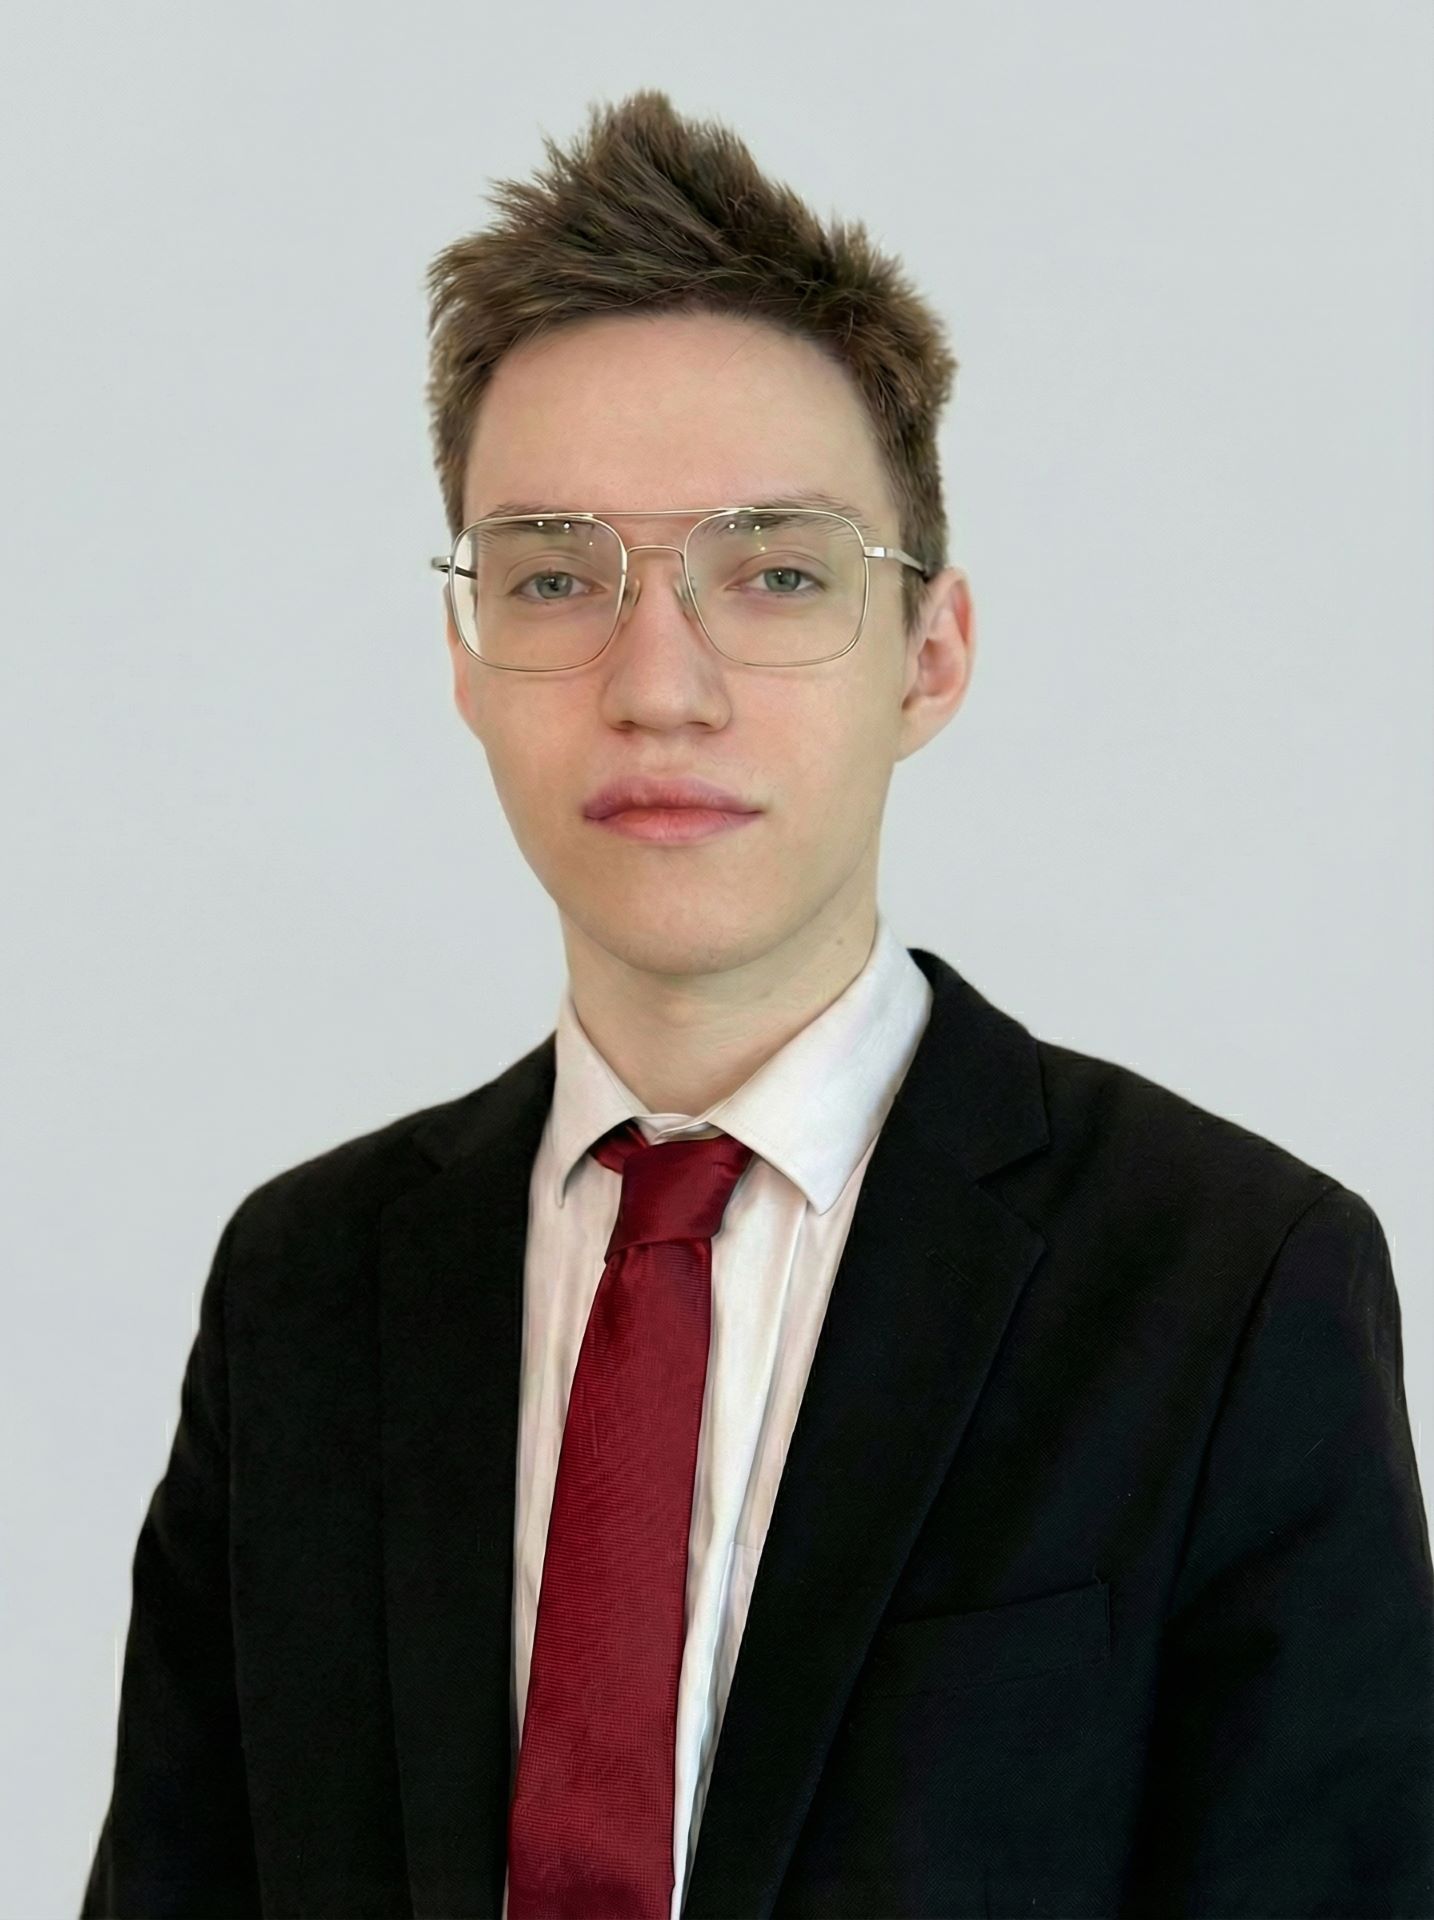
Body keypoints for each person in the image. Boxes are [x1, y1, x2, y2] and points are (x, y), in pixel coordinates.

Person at [81, 90, 1432, 1920]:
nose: (659, 683)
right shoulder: (303, 1289)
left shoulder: (1227, 1284)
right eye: (553, 577)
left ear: (930, 655)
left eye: (777, 574)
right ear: (465, 657)